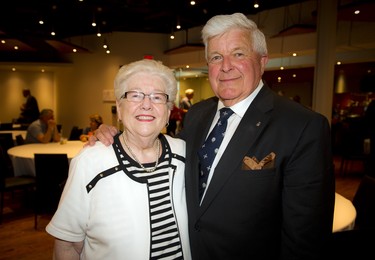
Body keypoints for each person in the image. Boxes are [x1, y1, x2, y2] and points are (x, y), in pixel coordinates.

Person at [91, 13, 335, 259]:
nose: (226, 66)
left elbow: (306, 239)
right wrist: (116, 135)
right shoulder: (198, 114)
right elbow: (163, 152)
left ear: (262, 61)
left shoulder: (302, 127)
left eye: (238, 54)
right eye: (216, 57)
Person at [45, 59, 191, 259]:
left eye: (157, 97)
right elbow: (68, 245)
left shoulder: (184, 153)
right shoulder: (90, 162)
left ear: (168, 111)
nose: (146, 104)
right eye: (135, 95)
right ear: (119, 108)